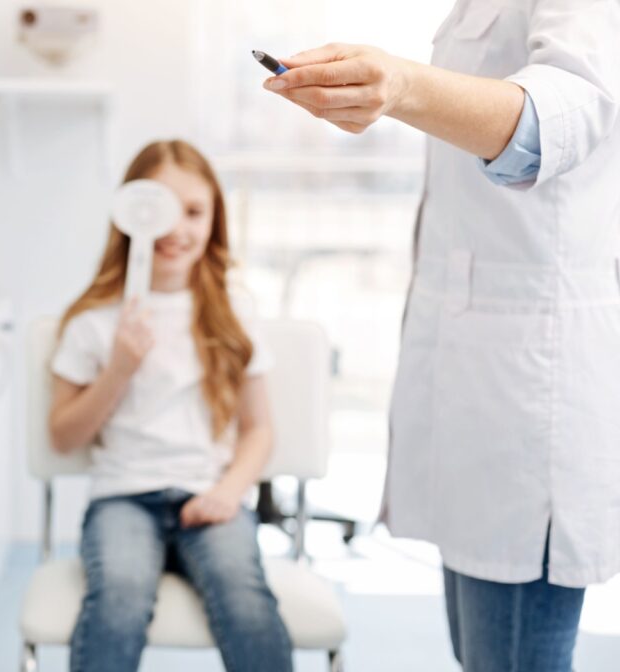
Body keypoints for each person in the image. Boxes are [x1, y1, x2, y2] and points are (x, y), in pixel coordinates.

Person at [261, 2, 620, 670]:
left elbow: (564, 113)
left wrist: (401, 86)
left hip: (530, 397)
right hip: (481, 396)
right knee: (481, 653)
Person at [49, 139, 294, 672]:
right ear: (131, 213)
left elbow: (259, 430)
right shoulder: (92, 322)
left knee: (244, 597)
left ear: (214, 220)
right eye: (161, 208)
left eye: (194, 211)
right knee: (119, 592)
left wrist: (229, 493)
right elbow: (63, 436)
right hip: (123, 498)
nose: (177, 229)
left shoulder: (234, 316)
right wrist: (118, 370)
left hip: (211, 494)